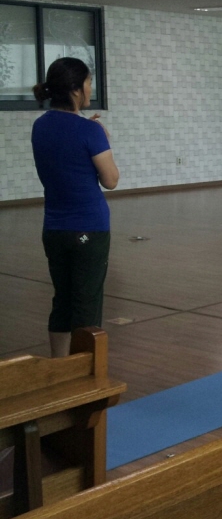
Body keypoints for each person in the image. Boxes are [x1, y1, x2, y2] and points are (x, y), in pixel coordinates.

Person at [31, 57, 119, 357]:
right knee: (86, 305)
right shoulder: (90, 131)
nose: (91, 87)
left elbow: (64, 153)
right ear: (76, 89)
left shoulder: (40, 126)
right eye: (89, 82)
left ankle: (60, 368)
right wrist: (100, 137)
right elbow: (111, 180)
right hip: (89, 228)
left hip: (54, 229)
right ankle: (85, 373)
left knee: (63, 301)